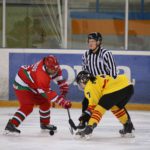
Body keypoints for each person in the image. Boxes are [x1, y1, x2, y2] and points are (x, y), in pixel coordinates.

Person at [4, 55, 71, 135]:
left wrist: (62, 85)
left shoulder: (53, 66)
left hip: (33, 83)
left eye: (55, 69)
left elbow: (57, 76)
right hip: (22, 83)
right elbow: (47, 93)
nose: (53, 71)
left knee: (45, 103)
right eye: (51, 70)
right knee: (27, 106)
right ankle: (11, 125)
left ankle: (44, 124)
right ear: (46, 67)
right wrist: (62, 102)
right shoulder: (41, 75)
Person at [74, 71, 135, 138]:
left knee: (99, 108)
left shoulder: (89, 86)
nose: (80, 86)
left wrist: (85, 116)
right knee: (115, 106)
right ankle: (128, 127)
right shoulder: (97, 78)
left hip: (115, 89)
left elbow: (93, 106)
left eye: (80, 83)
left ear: (84, 80)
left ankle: (89, 128)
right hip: (129, 87)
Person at [81, 32, 117, 112]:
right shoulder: (86, 55)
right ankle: (83, 122)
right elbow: (85, 71)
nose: (90, 43)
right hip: (94, 86)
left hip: (106, 86)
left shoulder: (106, 54)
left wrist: (111, 88)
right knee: (86, 102)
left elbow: (113, 72)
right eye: (89, 41)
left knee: (116, 105)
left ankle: (127, 122)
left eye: (93, 41)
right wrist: (85, 82)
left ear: (98, 42)